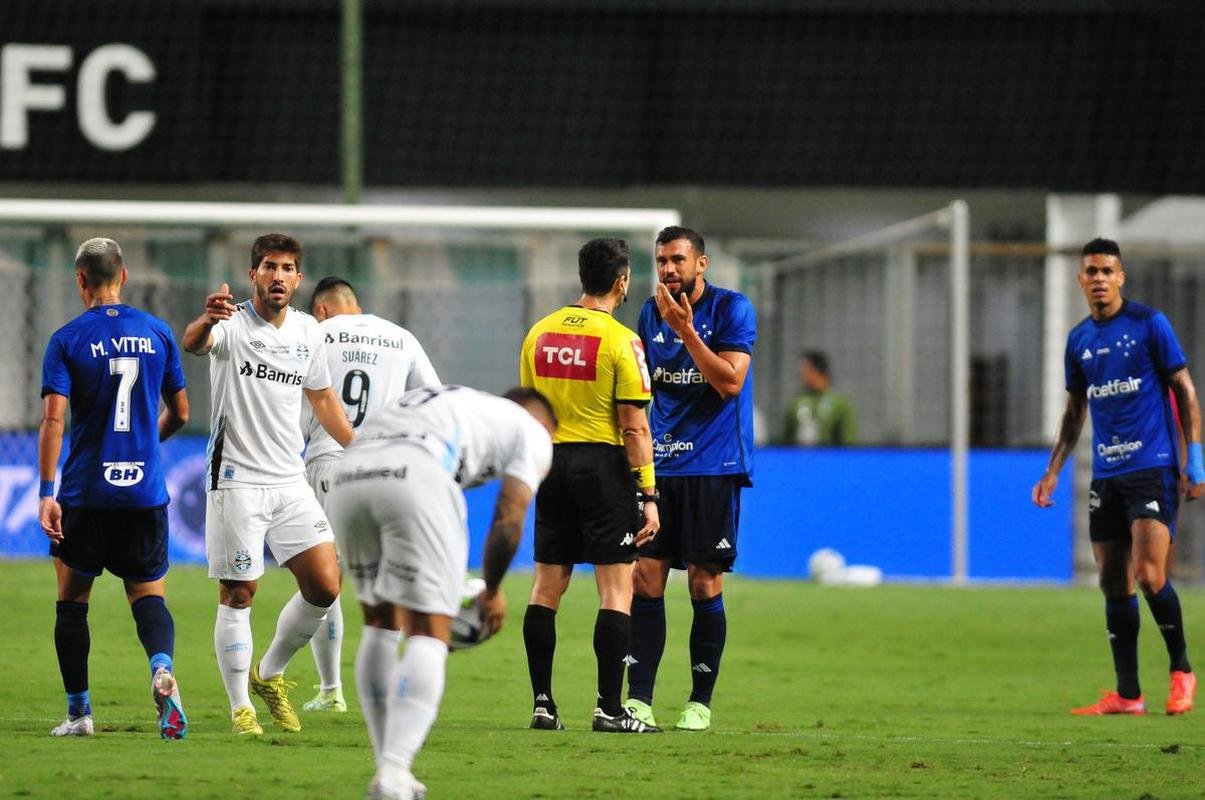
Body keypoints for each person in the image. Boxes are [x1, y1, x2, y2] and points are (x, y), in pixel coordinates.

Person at [326, 384, 555, 800]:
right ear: (544, 422)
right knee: (428, 628)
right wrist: (493, 589)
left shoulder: (463, 405)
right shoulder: (533, 431)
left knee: (379, 622)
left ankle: (389, 768)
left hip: (349, 471)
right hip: (414, 470)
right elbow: (508, 516)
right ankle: (394, 772)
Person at [182, 233, 355, 735]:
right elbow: (194, 343)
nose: (278, 276)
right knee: (240, 592)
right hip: (234, 478)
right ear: (253, 274)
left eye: (287, 268)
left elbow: (323, 401)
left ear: (298, 279)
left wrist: (364, 446)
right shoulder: (230, 322)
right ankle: (241, 708)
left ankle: (270, 672)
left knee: (325, 585)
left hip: (289, 479)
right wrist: (204, 321)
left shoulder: (307, 332)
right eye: (268, 267)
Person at [1033, 237, 1200, 716]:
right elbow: (1073, 413)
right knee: (1112, 584)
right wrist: (1052, 471)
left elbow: (1186, 392)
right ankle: (1128, 694)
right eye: (1092, 271)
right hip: (1107, 474)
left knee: (1150, 575)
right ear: (1081, 279)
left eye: (1108, 270)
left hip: (1153, 468)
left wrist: (1197, 462)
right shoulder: (1078, 341)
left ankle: (1182, 671)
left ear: (1121, 276)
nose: (1100, 279)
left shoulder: (1150, 324)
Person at [37, 237, 190, 739]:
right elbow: (183, 412)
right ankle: (162, 669)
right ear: (123, 277)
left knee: (72, 598)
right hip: (144, 491)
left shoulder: (67, 338)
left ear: (80, 280)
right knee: (148, 595)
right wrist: (147, 442)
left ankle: (80, 714)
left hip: (86, 492)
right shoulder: (158, 332)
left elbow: (54, 420)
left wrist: (45, 490)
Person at [519, 237, 661, 733]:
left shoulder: (539, 333)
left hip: (549, 460)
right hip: (602, 467)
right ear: (621, 281)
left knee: (545, 586)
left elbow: (530, 411)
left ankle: (542, 703)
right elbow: (634, 427)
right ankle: (609, 709)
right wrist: (648, 495)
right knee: (615, 589)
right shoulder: (623, 341)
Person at [624, 226, 757, 732]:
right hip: (662, 464)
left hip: (715, 465)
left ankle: (699, 701)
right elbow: (645, 390)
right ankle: (638, 700)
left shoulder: (732, 309)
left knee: (704, 581)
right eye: (661, 261)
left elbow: (729, 381)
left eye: (678, 260)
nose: (668, 270)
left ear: (701, 263)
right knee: (645, 576)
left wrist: (685, 332)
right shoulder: (647, 312)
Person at [299, 276, 441, 714]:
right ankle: (390, 686)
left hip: (328, 460)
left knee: (326, 583)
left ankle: (330, 690)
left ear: (321, 309)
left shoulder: (311, 333)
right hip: (388, 468)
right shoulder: (401, 337)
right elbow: (432, 398)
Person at [780, 350, 857, 446]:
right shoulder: (796, 402)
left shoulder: (840, 404)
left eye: (804, 369)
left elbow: (849, 441)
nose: (800, 374)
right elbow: (785, 439)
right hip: (799, 458)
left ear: (815, 369)